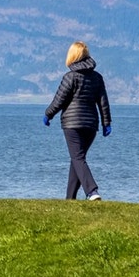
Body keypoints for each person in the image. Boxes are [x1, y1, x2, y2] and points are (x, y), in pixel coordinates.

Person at [43, 40, 112, 200]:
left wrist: (48, 114)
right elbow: (103, 102)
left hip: (72, 124)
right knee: (78, 158)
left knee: (78, 157)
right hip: (90, 126)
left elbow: (59, 100)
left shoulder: (70, 77)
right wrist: (106, 123)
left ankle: (92, 191)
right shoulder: (97, 77)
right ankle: (70, 199)